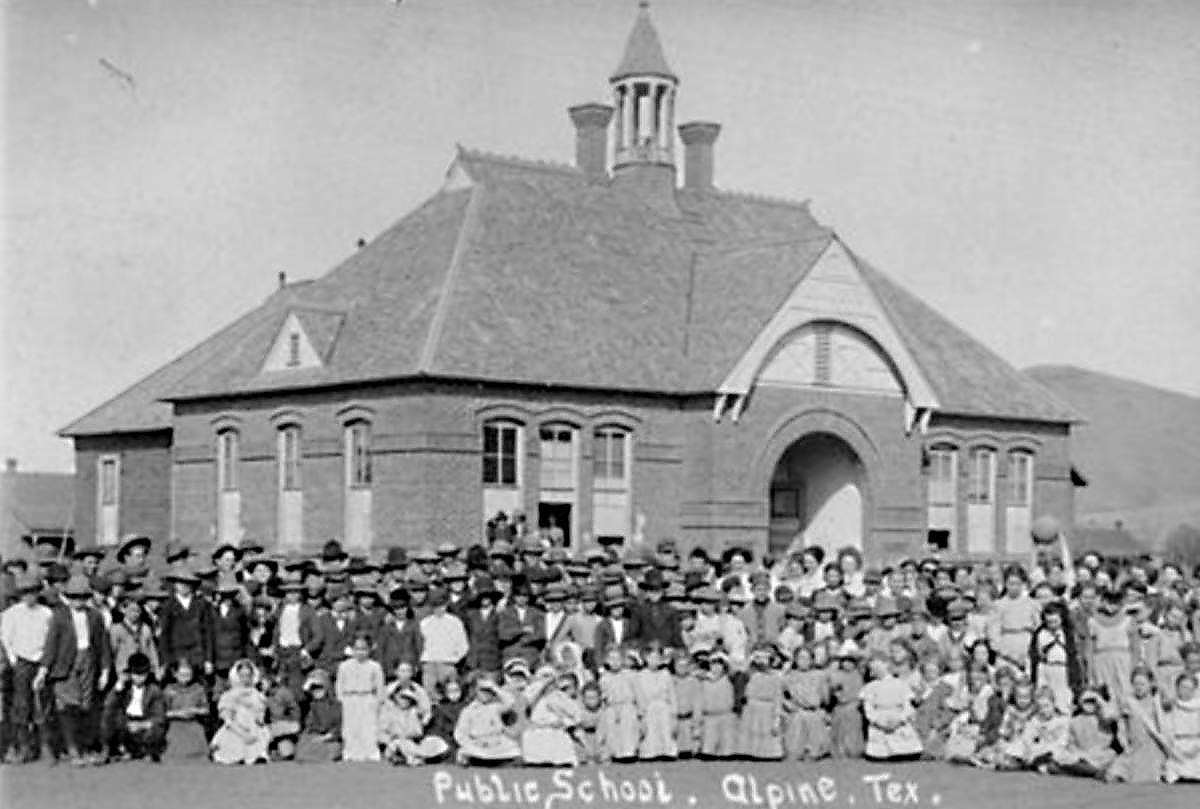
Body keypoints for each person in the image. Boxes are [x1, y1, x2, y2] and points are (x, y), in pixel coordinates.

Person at [40, 574, 112, 766]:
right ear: (67, 597)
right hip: (65, 664)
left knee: (86, 707)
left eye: (81, 597)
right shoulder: (59, 616)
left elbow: (102, 644)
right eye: (73, 597)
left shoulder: (94, 616)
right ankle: (73, 750)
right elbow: (51, 645)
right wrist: (44, 669)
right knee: (67, 707)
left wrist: (105, 669)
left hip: (88, 660)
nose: (77, 601)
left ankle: (85, 747)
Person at [0, 573, 52, 763]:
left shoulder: (46, 613)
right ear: (20, 595)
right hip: (21, 663)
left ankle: (45, 747)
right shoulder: (11, 614)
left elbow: (49, 640)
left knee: (42, 705)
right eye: (25, 593)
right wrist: (15, 661)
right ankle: (23, 747)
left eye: (33, 592)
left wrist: (44, 664)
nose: (29, 597)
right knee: (21, 705)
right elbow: (6, 639)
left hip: (40, 662)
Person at [100, 652, 165, 763]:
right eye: (136, 674)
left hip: (145, 721)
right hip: (127, 720)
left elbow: (159, 717)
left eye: (143, 675)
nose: (139, 678)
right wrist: (119, 686)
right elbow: (109, 705)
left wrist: (142, 725)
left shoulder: (154, 690)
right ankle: (109, 750)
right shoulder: (124, 688)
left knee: (156, 728)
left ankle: (148, 752)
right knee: (108, 716)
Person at [861, 652, 922, 761]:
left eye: (879, 666)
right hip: (880, 720)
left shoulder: (901, 684)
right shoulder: (870, 687)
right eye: (873, 668)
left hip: (898, 718)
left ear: (887, 665)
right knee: (879, 753)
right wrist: (877, 721)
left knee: (904, 748)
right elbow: (868, 708)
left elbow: (907, 706)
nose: (877, 670)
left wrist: (900, 719)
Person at [335, 633, 385, 762]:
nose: (360, 652)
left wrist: (378, 702)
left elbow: (379, 686)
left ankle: (370, 753)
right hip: (350, 698)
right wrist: (342, 699)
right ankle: (350, 753)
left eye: (364, 649)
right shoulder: (344, 666)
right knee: (350, 728)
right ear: (352, 650)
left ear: (369, 650)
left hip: (367, 697)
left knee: (368, 727)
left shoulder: (375, 666)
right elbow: (339, 684)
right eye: (357, 649)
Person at [210, 659, 270, 765]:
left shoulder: (258, 695)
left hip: (254, 730)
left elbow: (260, 719)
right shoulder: (229, 695)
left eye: (248, 676)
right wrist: (243, 734)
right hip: (235, 729)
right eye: (242, 676)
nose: (245, 679)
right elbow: (227, 720)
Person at [453, 676, 522, 765]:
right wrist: (472, 744)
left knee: (516, 751)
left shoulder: (495, 707)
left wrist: (493, 687)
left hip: (497, 745)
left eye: (489, 691)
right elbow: (459, 734)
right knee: (463, 753)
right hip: (478, 746)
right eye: (482, 690)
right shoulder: (468, 711)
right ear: (475, 692)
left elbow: (511, 702)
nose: (486, 694)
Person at [1048, 689, 1116, 778]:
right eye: (1086, 702)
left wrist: (1100, 701)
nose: (1089, 705)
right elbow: (1071, 742)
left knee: (1111, 755)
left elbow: (1111, 715)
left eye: (1092, 702)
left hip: (1098, 753)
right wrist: (1076, 752)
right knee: (1064, 757)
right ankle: (1091, 772)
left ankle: (1085, 771)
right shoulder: (1074, 721)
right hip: (1080, 753)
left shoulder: (1103, 719)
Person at [521, 671, 583, 766]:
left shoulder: (560, 696)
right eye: (544, 677)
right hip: (535, 747)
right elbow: (526, 710)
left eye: (549, 677)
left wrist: (563, 720)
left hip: (557, 747)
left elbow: (577, 717)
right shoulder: (531, 695)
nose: (547, 680)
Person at [378, 683, 447, 766]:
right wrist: (390, 740)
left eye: (407, 699)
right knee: (398, 744)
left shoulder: (413, 713)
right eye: (402, 697)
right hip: (394, 744)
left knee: (436, 742)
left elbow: (418, 732)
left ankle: (413, 758)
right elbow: (380, 733)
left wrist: (408, 735)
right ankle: (410, 758)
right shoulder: (388, 712)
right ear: (396, 697)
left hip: (411, 743)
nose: (404, 701)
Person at [784, 645, 830, 761]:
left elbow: (825, 698)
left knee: (814, 753)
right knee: (794, 752)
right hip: (798, 714)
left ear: (812, 660)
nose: (803, 662)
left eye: (807, 658)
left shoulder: (820, 675)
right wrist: (787, 704)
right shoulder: (789, 676)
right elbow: (779, 694)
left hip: (814, 714)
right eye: (800, 658)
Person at [418, 588, 469, 694]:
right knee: (430, 695)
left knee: (451, 694)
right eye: (435, 606)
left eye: (442, 605)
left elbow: (463, 645)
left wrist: (454, 659)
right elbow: (419, 645)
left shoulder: (455, 622)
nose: (439, 609)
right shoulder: (425, 623)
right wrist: (424, 661)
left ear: (446, 605)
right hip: (430, 665)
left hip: (448, 664)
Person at [634, 643, 677, 760]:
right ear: (646, 658)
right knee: (650, 731)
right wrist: (641, 714)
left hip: (664, 708)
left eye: (657, 658)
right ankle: (650, 753)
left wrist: (673, 713)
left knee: (665, 729)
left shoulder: (666, 674)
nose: (654, 661)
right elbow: (639, 696)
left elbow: (671, 695)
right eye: (651, 658)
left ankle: (666, 752)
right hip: (649, 708)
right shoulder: (640, 675)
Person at [161, 659, 209, 761]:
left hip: (193, 722)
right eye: (182, 675)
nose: (185, 678)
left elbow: (206, 709)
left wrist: (195, 710)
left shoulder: (198, 689)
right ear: (175, 674)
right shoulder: (169, 690)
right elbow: (163, 712)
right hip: (176, 723)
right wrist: (178, 714)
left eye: (188, 675)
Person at [597, 647, 639, 761]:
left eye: (618, 659)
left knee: (628, 728)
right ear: (607, 661)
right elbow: (603, 696)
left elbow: (637, 693)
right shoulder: (604, 678)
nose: (615, 662)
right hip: (612, 707)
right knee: (612, 728)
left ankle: (629, 753)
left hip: (627, 706)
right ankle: (616, 753)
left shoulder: (630, 675)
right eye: (612, 659)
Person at [294, 669, 342, 763]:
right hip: (316, 736)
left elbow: (339, 725)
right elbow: (310, 725)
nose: (316, 692)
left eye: (319, 688)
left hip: (331, 738)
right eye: (313, 690)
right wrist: (313, 734)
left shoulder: (336, 705)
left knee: (333, 749)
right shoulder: (313, 705)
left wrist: (328, 736)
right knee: (303, 748)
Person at [1163, 671, 1200, 783]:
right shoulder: (1172, 706)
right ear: (1177, 688)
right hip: (1177, 746)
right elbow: (1167, 729)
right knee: (1174, 770)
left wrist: (1197, 747)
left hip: (1195, 746)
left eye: (1190, 688)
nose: (1186, 691)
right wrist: (1175, 748)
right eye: (1183, 687)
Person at [699, 653, 737, 759]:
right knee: (709, 743)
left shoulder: (729, 679)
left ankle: (726, 753)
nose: (716, 668)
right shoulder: (704, 681)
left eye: (719, 665)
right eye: (713, 665)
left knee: (727, 742)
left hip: (726, 714)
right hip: (710, 716)